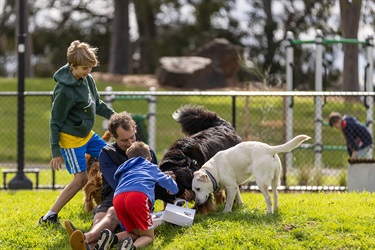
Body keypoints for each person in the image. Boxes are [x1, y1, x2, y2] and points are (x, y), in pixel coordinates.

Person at [39, 40, 116, 225]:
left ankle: (113, 203)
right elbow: (54, 122)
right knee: (81, 178)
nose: (88, 71)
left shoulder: (88, 79)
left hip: (86, 135)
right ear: (72, 66)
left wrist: (115, 117)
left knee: (112, 156)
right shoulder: (64, 91)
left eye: (90, 67)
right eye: (84, 68)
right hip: (71, 140)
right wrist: (56, 151)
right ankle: (49, 216)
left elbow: (97, 104)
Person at [66, 111, 159, 250]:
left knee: (113, 212)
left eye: (132, 137)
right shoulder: (107, 153)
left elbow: (156, 180)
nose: (130, 143)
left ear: (135, 131)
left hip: (138, 201)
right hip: (114, 196)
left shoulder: (146, 151)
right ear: (114, 138)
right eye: (124, 140)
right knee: (101, 218)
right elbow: (117, 184)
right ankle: (88, 245)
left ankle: (85, 238)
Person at [95, 141, 179, 250]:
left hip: (118, 199)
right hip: (137, 197)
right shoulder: (149, 165)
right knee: (148, 236)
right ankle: (130, 247)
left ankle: (111, 238)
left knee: (135, 233)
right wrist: (174, 189)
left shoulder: (124, 169)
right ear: (148, 157)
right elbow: (167, 182)